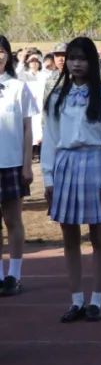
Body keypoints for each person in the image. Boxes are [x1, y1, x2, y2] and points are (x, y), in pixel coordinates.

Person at [41, 37, 101, 323]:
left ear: (93, 62)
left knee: (98, 235)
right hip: (65, 165)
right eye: (72, 58)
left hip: (95, 164)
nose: (76, 63)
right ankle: (76, 299)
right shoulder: (56, 97)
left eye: (82, 58)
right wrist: (48, 177)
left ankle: (96, 299)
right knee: (70, 236)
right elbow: (50, 138)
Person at [0, 36, 38, 296]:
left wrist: (27, 165)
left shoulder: (18, 87)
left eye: (2, 51)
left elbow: (27, 128)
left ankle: (14, 274)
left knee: (13, 220)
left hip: (12, 163)